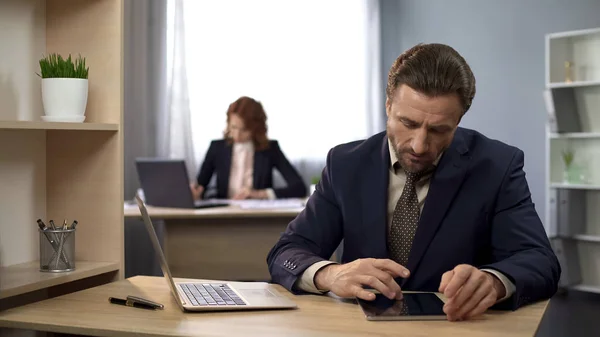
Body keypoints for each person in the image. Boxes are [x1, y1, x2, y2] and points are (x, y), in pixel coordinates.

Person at [266, 43, 560, 321]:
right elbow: (286, 252)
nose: (420, 145)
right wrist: (330, 275)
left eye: (438, 129)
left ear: (458, 121)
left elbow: (540, 260)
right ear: (388, 106)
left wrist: (494, 282)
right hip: (359, 329)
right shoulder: (345, 163)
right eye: (408, 123)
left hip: (456, 328)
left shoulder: (497, 166)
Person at [191, 96, 307, 200]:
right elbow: (201, 186)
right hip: (223, 214)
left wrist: (259, 194)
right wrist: (195, 193)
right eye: (233, 127)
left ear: (256, 129)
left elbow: (299, 188)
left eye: (244, 130)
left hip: (256, 216)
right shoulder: (217, 148)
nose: (236, 135)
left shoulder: (270, 149)